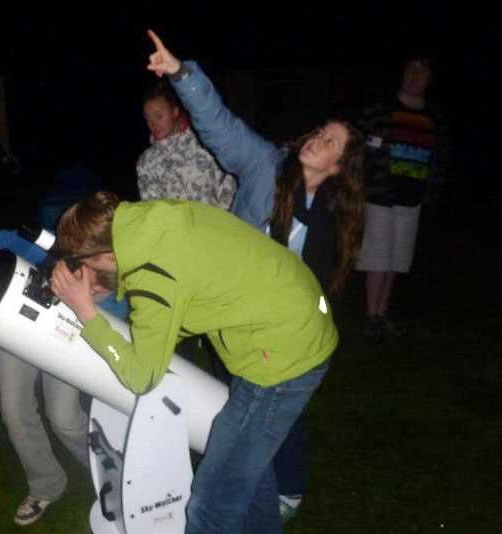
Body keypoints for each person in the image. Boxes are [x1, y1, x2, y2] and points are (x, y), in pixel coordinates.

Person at [145, 29, 366, 523]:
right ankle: (263, 492)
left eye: (330, 142)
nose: (317, 139)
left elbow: (321, 289)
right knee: (245, 416)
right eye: (320, 131)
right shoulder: (267, 167)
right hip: (233, 323)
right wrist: (181, 75)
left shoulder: (333, 219)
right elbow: (220, 126)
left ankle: (287, 486)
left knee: (272, 415)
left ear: (338, 167)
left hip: (283, 339)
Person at [50, 191, 337, 534]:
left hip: (282, 354)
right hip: (292, 318)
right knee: (246, 470)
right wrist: (104, 285)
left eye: (82, 262)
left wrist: (86, 313)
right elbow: (184, 287)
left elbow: (142, 377)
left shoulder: (152, 273)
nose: (81, 269)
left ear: (107, 255)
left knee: (210, 504)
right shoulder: (150, 221)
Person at [0, 229, 126, 526]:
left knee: (64, 419)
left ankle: (112, 477)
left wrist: (88, 303)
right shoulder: (59, 255)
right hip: (16, 324)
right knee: (14, 411)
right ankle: (46, 484)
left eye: (99, 287)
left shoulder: (119, 293)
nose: (91, 286)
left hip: (68, 340)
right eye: (88, 275)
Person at [355, 53, 447, 342]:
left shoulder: (434, 119)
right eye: (411, 69)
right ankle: (371, 316)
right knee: (378, 258)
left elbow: (439, 160)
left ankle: (382, 313)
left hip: (413, 200)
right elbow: (358, 149)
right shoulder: (380, 111)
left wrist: (431, 194)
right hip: (380, 196)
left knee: (397, 260)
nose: (415, 76)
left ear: (430, 80)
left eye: (422, 72)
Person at [137, 82, 237, 210]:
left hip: (219, 220)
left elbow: (228, 182)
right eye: (148, 118)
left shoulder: (203, 143)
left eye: (158, 116)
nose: (153, 124)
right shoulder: (147, 162)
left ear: (174, 111)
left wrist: (222, 217)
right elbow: (152, 208)